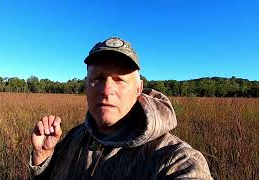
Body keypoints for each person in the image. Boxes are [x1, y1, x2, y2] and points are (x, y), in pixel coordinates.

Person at [29, 37, 213, 179]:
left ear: (138, 89)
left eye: (120, 79)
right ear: (86, 85)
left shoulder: (174, 159)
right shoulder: (73, 138)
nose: (106, 90)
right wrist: (43, 155)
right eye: (97, 78)